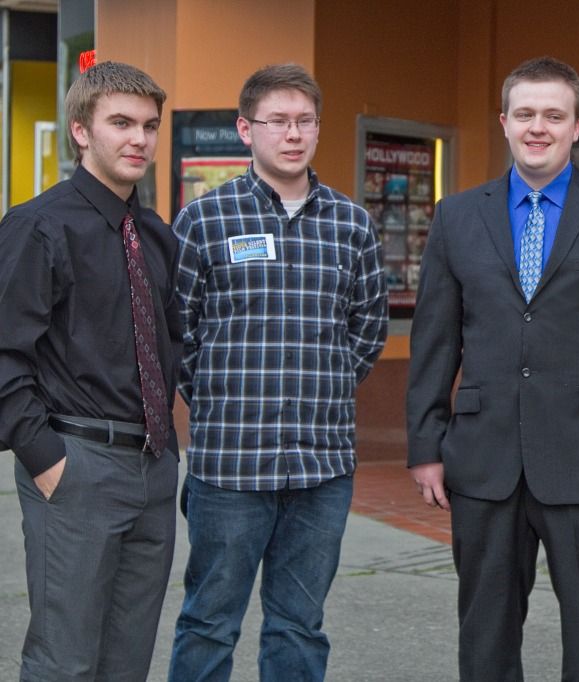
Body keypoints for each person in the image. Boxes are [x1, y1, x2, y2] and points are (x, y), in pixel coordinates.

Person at [406, 56, 579, 681]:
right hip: (484, 460)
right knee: (486, 635)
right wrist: (425, 446)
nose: (538, 127)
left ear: (577, 127)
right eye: (525, 114)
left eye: (554, 116)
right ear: (504, 122)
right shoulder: (456, 216)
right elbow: (434, 342)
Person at [169, 63, 388, 681]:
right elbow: (178, 333)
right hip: (230, 466)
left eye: (304, 121)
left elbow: (367, 329)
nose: (293, 134)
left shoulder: (352, 225)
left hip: (322, 468)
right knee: (209, 622)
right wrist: (223, 396)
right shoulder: (204, 221)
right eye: (277, 121)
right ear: (246, 129)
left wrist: (323, 385)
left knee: (299, 625)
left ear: (317, 128)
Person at [0, 61, 179, 680]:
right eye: (121, 123)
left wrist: (167, 454)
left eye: (149, 126)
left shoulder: (154, 235)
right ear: (81, 131)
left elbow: (170, 344)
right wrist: (47, 461)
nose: (139, 139)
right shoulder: (37, 226)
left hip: (152, 470)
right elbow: (4, 353)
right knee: (65, 664)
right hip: (77, 466)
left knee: (127, 664)